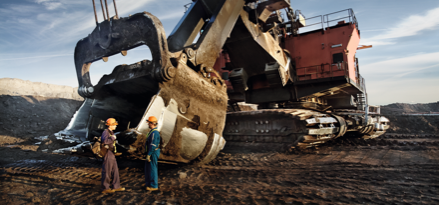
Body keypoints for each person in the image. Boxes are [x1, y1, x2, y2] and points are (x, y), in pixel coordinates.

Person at [101, 118, 125, 194]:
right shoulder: (106, 132)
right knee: (107, 171)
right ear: (110, 125)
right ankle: (105, 188)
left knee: (115, 171)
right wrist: (112, 138)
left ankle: (116, 186)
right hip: (108, 153)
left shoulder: (111, 132)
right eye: (114, 124)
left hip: (112, 154)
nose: (115, 126)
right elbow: (104, 141)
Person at [144, 116, 161, 191]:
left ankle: (154, 186)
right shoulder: (152, 132)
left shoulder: (155, 133)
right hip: (151, 152)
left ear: (152, 123)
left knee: (152, 168)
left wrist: (149, 154)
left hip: (153, 153)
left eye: (149, 123)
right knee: (149, 169)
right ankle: (149, 184)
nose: (148, 124)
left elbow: (153, 145)